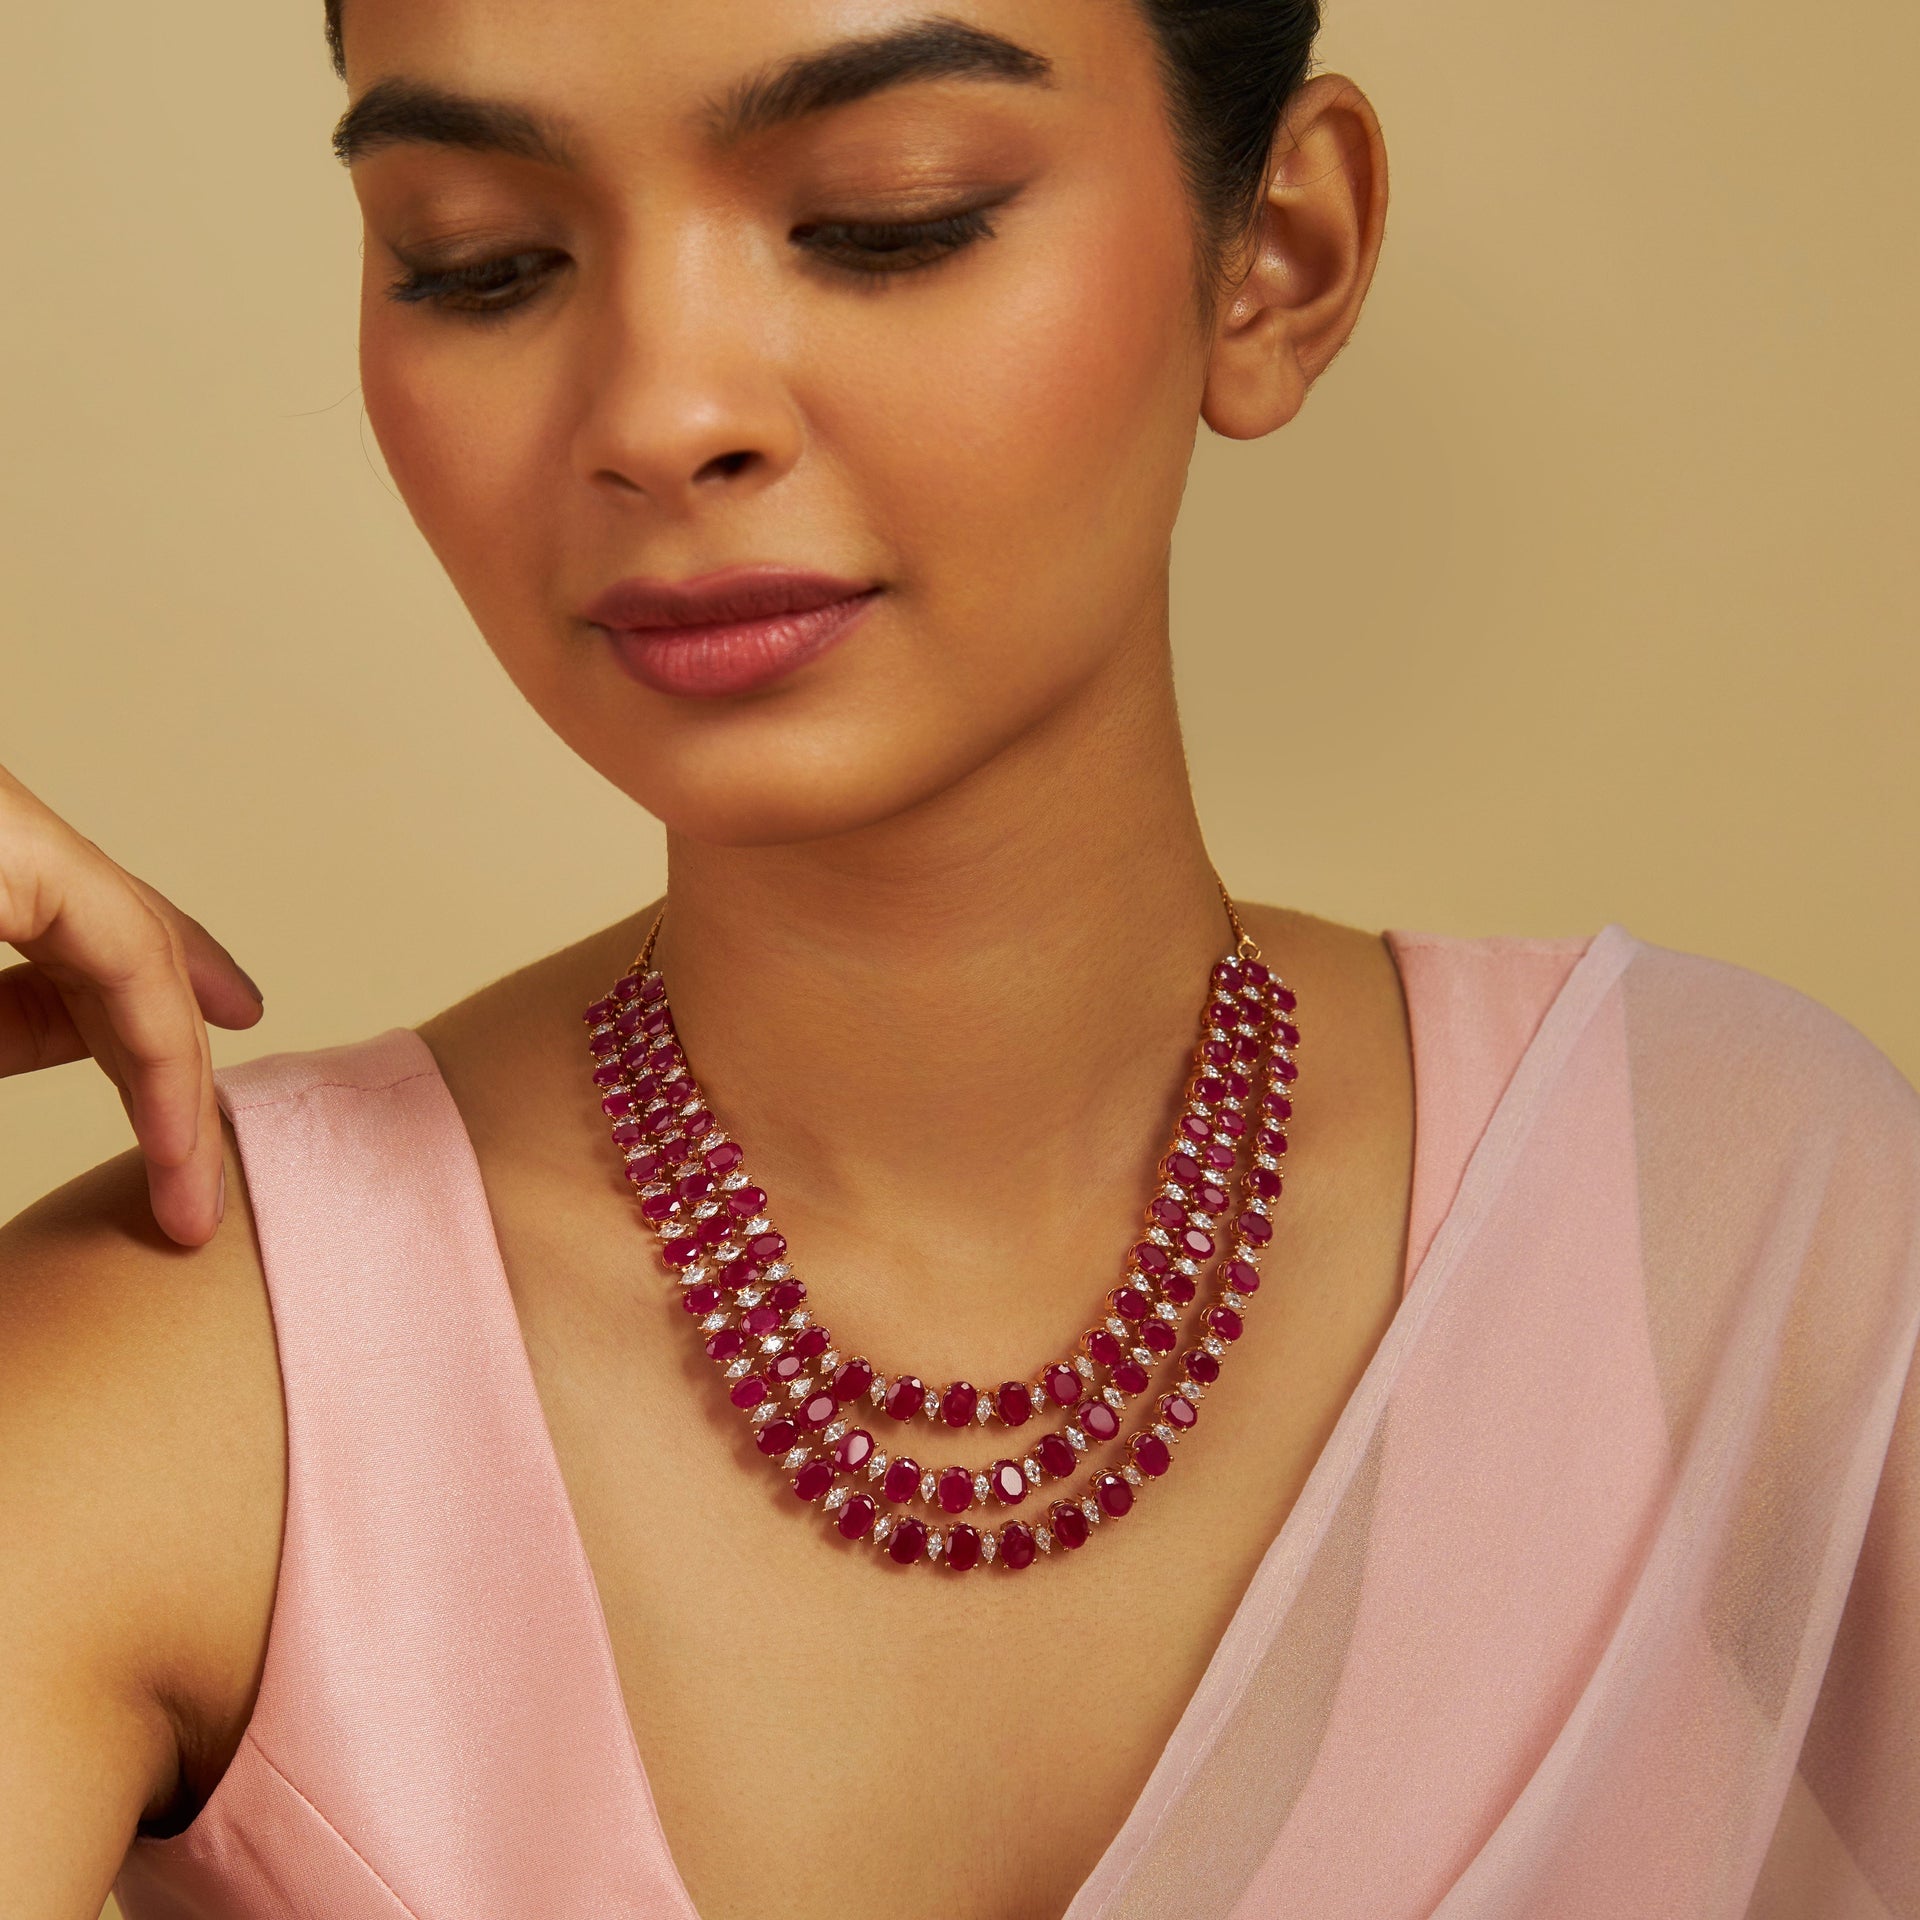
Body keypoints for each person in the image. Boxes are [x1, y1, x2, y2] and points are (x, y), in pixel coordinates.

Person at [1, 3, 1913, 1916]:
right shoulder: (175, 1385)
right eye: (481, 261)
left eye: (883, 222)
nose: (662, 416)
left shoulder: (1727, 1221)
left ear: (1280, 257)